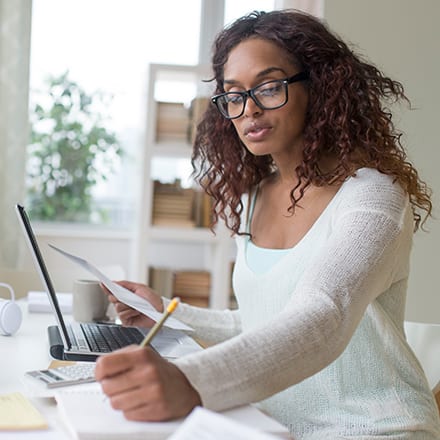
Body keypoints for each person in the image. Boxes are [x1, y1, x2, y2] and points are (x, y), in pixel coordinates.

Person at [95, 9, 440, 439]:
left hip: (374, 429)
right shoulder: (253, 197)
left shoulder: (373, 197)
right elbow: (260, 324)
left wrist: (191, 382)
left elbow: (322, 317)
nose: (250, 110)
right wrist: (164, 315)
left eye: (269, 87)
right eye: (234, 95)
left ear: (318, 87)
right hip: (268, 426)